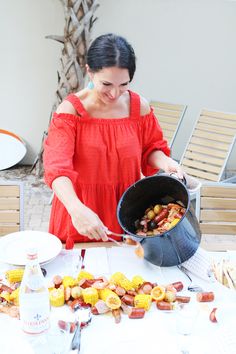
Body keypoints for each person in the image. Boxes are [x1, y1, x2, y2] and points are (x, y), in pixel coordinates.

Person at [43, 33, 183, 248]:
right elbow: (57, 169)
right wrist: (75, 208)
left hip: (128, 210)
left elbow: (151, 149)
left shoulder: (139, 107)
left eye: (123, 84)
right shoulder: (71, 111)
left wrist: (167, 164)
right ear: (89, 71)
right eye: (106, 84)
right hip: (80, 212)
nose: (115, 93)